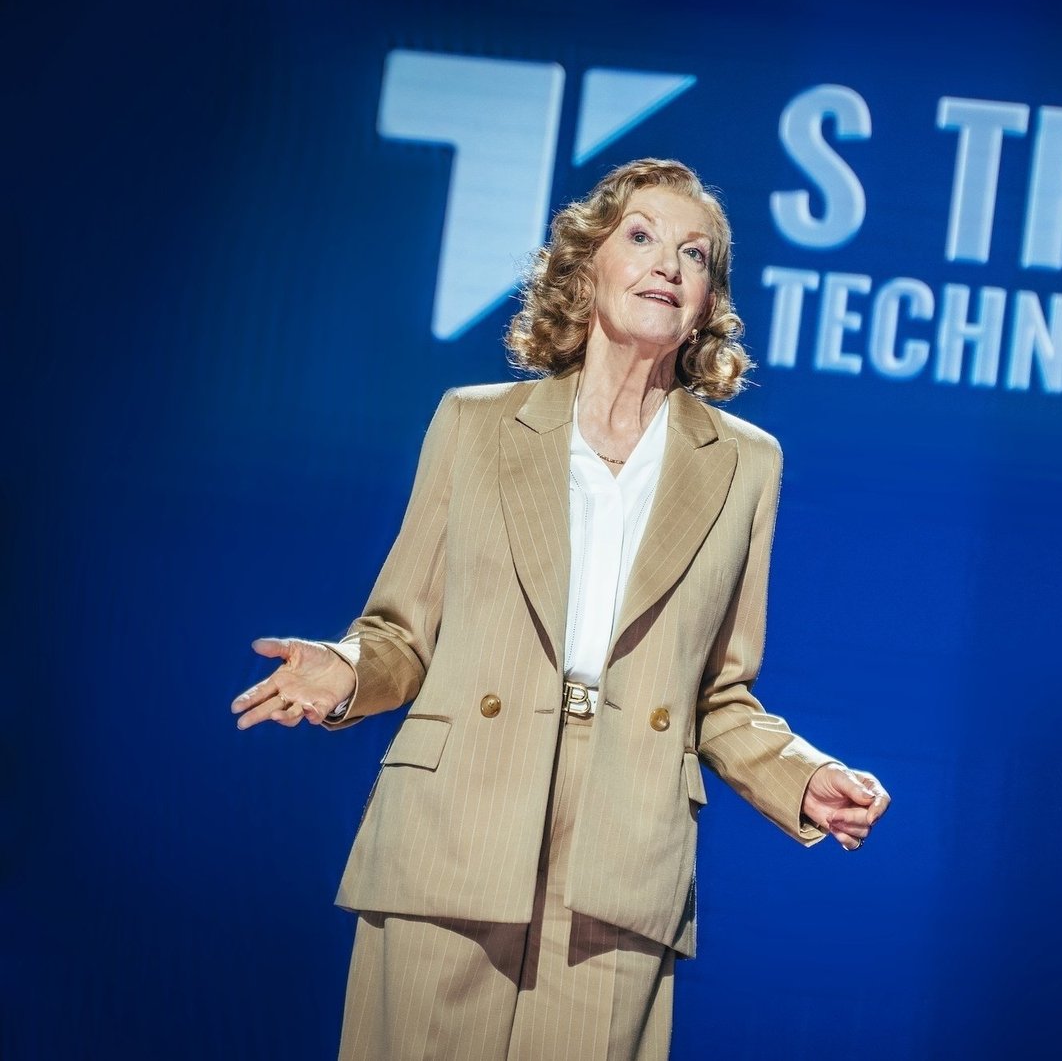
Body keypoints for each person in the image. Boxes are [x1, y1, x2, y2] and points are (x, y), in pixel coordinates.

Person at [230, 158, 890, 1060]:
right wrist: (346, 671)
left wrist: (800, 779)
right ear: (586, 268)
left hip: (625, 850)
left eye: (695, 254)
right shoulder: (475, 424)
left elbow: (719, 696)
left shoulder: (746, 465)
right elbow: (401, 633)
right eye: (642, 237)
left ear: (707, 303)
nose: (668, 264)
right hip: (456, 821)